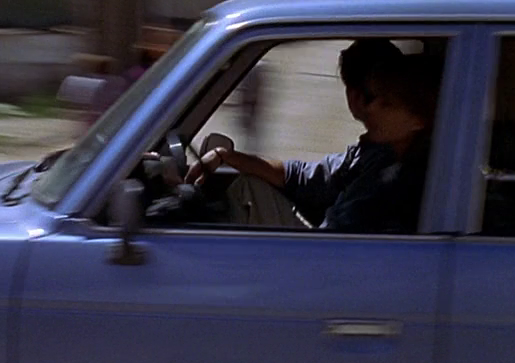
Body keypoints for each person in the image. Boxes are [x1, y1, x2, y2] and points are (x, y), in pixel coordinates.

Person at [184, 40, 440, 234]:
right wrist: (228, 156)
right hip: (322, 255)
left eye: (386, 103)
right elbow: (305, 177)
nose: (370, 108)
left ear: (418, 120)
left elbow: (335, 245)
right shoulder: (376, 152)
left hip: (322, 263)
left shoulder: (396, 180)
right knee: (248, 186)